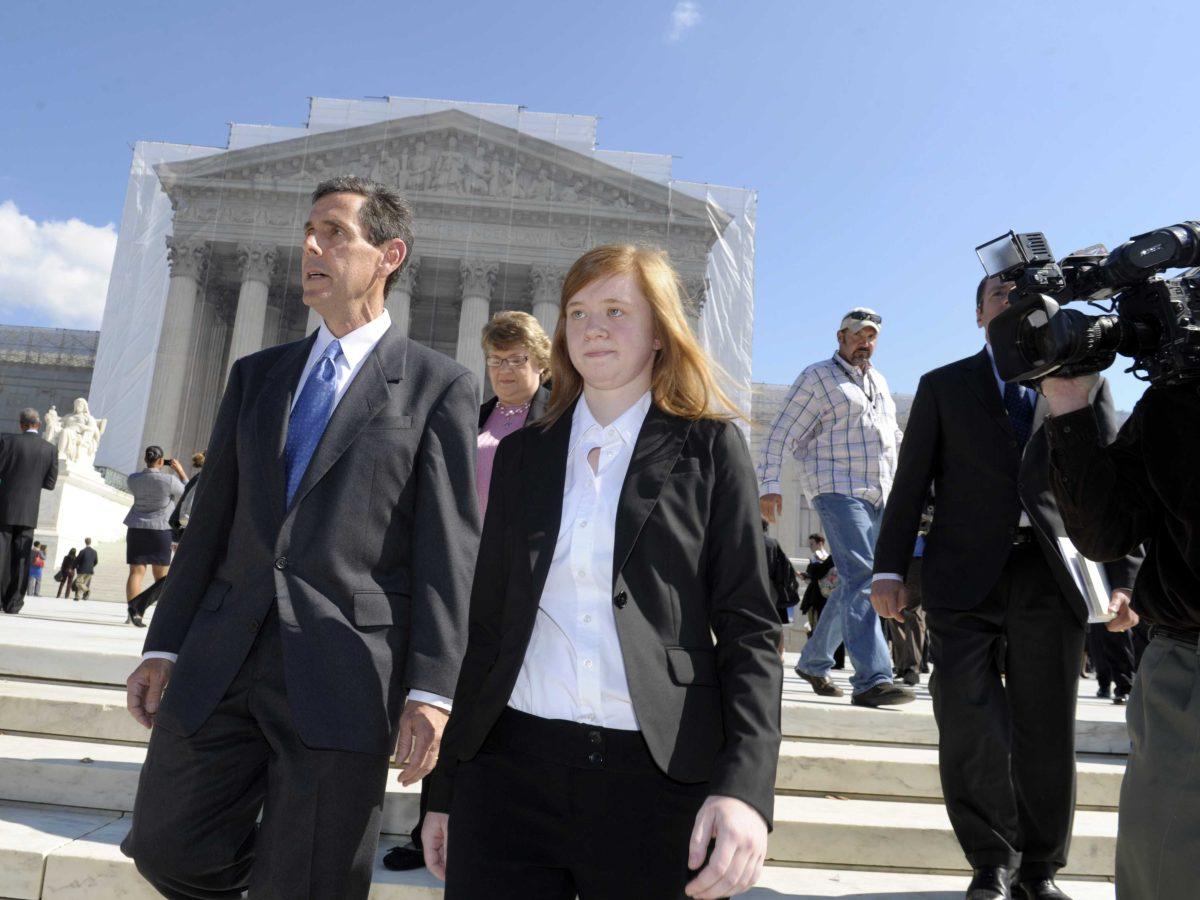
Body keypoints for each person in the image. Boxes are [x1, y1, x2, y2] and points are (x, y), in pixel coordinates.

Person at [119, 175, 480, 900]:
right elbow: (213, 521)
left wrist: (434, 687)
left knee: (311, 880)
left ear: (389, 255)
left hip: (346, 668)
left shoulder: (439, 385)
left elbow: (449, 549)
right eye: (309, 231)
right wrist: (163, 644)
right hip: (225, 655)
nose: (311, 245)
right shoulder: (257, 377)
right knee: (164, 843)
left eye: (335, 233)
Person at [422, 244, 782, 899]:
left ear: (659, 333)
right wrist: (443, 790)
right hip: (508, 775)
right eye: (579, 311)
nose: (592, 327)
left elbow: (749, 629)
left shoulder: (709, 448)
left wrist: (747, 789)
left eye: (616, 310)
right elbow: (487, 624)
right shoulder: (522, 456)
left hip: (658, 782)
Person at [871, 275, 1142, 900]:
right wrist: (889, 570)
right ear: (977, 315)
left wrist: (1122, 578)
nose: (1014, 304)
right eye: (999, 296)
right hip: (961, 577)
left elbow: (1111, 481)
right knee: (967, 721)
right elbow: (910, 483)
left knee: (1045, 728)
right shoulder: (943, 386)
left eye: (1027, 296)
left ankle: (1041, 870)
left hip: (1051, 576)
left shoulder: (1084, 381)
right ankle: (990, 859)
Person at [385, 308, 553, 873]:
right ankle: (426, 826)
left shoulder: (562, 418)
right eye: (496, 360)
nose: (505, 370)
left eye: (517, 360)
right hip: (462, 579)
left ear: (541, 362)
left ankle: (489, 827)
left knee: (494, 710)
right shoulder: (473, 416)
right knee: (445, 702)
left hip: (523, 587)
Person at [1041, 370, 1199, 899]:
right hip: (1187, 672)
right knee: (1166, 874)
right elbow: (1107, 532)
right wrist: (1068, 404)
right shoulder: (1175, 399)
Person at [758, 309, 913, 707]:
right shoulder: (817, 377)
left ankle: (814, 661)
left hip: (878, 492)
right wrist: (770, 484)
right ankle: (872, 679)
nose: (866, 342)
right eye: (858, 335)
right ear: (841, 337)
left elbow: (891, 436)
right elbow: (781, 431)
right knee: (864, 576)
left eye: (872, 336)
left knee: (853, 579)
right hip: (836, 487)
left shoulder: (878, 381)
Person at [0, 408, 58, 614]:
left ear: (21, 424)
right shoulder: (49, 449)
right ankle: (14, 603)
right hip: (29, 510)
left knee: (2, 554)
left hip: (4, 507)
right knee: (23, 557)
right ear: (39, 425)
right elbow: (50, 484)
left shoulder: (6, 441)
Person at [122, 446, 186, 626]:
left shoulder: (133, 479)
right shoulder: (169, 480)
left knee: (136, 572)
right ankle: (155, 614)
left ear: (146, 459)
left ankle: (132, 613)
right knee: (162, 577)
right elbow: (187, 491)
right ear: (161, 461)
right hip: (160, 529)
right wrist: (180, 471)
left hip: (136, 528)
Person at [798, 533, 844, 669]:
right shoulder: (829, 558)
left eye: (812, 544)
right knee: (831, 627)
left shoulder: (823, 558)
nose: (810, 547)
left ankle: (822, 659)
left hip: (821, 599)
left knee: (820, 628)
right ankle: (835, 660)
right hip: (826, 596)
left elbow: (818, 573)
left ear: (820, 543)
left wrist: (812, 569)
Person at [764, 519, 802, 629]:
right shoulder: (772, 543)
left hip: (750, 589)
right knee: (775, 625)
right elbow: (785, 565)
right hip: (772, 588)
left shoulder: (747, 541)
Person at [168, 451, 205, 543]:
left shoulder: (200, 477)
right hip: (183, 534)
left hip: (181, 533)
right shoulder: (202, 478)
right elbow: (187, 511)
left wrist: (176, 528)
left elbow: (188, 507)